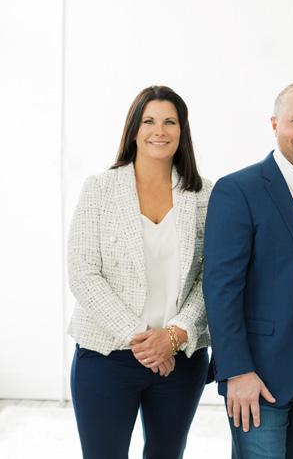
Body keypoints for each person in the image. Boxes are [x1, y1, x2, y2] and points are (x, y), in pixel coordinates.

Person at [203, 80, 293, 459]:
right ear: (274, 124)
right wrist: (236, 371)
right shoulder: (239, 190)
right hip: (259, 369)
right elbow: (220, 289)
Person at [67, 85, 211, 459]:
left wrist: (175, 335)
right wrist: (146, 340)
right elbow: (83, 273)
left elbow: (211, 277)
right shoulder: (100, 188)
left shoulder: (204, 195)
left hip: (180, 360)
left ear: (182, 131)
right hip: (106, 356)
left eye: (169, 122)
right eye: (149, 121)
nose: (159, 130)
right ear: (134, 129)